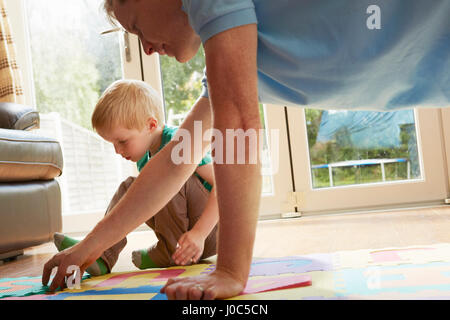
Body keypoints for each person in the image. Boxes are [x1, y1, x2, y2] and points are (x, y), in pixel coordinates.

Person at [42, 0, 450, 299]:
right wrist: (87, 247)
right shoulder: (237, 44)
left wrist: (231, 271)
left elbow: (238, 127)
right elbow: (178, 158)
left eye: (136, 26)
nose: (145, 48)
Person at [51, 79, 219, 278]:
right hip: (188, 236)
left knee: (163, 182)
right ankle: (102, 256)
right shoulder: (145, 158)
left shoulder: (178, 141)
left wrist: (200, 233)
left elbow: (223, 187)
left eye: (122, 141)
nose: (117, 150)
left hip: (212, 230)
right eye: (113, 143)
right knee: (131, 188)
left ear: (151, 125)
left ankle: (169, 251)